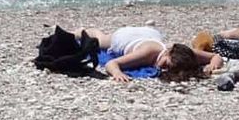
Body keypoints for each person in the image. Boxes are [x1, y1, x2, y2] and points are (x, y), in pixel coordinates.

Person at [85, 24, 223, 83]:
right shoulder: (147, 54)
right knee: (100, 40)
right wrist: (117, 73)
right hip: (125, 38)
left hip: (150, 34)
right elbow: (112, 63)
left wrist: (213, 65)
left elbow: (216, 56)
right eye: (165, 65)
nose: (164, 69)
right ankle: (85, 31)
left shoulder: (183, 54)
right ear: (167, 53)